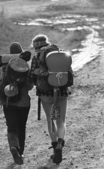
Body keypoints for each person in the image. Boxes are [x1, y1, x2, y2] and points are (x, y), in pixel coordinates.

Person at [29, 34, 73, 164]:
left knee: (50, 120)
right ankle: (60, 143)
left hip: (45, 93)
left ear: (35, 46)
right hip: (62, 92)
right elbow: (69, 72)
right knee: (61, 121)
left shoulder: (36, 57)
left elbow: (32, 77)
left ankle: (55, 148)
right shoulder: (59, 53)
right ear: (47, 43)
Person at [0, 42, 33, 165]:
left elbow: (0, 85)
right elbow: (29, 87)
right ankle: (20, 152)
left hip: (8, 103)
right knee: (21, 127)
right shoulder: (24, 66)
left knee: (11, 128)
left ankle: (13, 147)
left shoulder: (3, 68)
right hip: (23, 103)